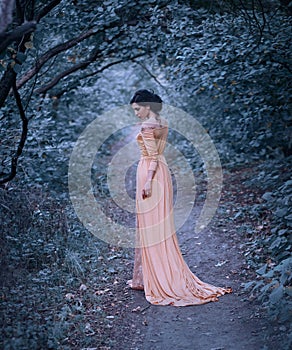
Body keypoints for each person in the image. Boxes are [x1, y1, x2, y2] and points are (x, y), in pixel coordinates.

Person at [127, 89, 232, 306]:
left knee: (151, 226)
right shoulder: (161, 121)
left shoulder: (148, 125)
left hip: (151, 172)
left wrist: (147, 181)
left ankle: (160, 278)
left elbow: (152, 156)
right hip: (161, 173)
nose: (136, 113)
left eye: (138, 109)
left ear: (147, 106)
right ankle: (150, 275)